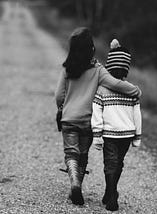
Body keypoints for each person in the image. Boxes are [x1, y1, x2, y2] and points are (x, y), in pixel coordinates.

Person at [55, 28, 141, 206]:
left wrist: (62, 108)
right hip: (87, 120)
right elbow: (115, 83)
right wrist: (135, 91)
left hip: (69, 119)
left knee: (71, 153)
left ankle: (75, 184)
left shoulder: (67, 69)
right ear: (91, 49)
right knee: (83, 155)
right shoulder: (98, 70)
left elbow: (58, 95)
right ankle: (78, 183)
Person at [91, 39, 142, 211]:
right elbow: (137, 115)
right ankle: (110, 192)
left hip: (109, 134)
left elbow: (96, 113)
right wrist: (137, 136)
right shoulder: (131, 90)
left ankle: (111, 194)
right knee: (118, 163)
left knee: (110, 164)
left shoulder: (102, 89)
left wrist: (97, 136)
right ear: (126, 69)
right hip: (126, 134)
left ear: (108, 66)